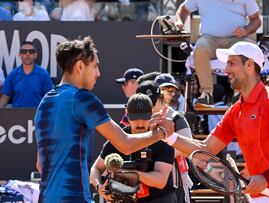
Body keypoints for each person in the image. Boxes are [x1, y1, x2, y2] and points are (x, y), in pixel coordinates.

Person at [161, 41, 269, 203]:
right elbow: (206, 149)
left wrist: (266, 178)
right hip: (260, 197)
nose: (225, 70)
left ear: (249, 65)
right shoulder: (235, 111)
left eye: (231, 63)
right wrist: (170, 136)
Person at [34, 36, 173, 202]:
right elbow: (125, 144)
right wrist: (161, 133)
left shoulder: (45, 102)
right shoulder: (82, 98)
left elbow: (40, 165)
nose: (98, 73)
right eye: (95, 66)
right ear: (80, 66)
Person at [90, 93, 176, 203]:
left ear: (152, 114)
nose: (140, 123)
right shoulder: (119, 137)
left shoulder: (161, 138)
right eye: (135, 118)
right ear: (127, 114)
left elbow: (160, 181)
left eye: (144, 118)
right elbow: (95, 169)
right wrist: (99, 187)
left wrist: (131, 173)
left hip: (159, 199)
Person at [175, 0, 261, 105]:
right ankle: (206, 93)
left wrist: (246, 30)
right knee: (200, 49)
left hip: (236, 39)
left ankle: (240, 93)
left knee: (246, 51)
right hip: (210, 39)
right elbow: (183, 10)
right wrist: (179, 21)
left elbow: (256, 20)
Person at [137, 80, 194, 203]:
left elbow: (189, 148)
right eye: (145, 104)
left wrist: (160, 154)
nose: (150, 107)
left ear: (161, 98)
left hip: (175, 183)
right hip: (144, 184)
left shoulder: (175, 117)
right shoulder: (136, 119)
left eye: (152, 102)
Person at [0, 41, 53, 108]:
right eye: (24, 52)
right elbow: (5, 97)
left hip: (37, 116)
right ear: (20, 55)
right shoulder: (13, 75)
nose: (27, 54)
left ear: (35, 55)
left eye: (31, 52)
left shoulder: (44, 74)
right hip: (16, 116)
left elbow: (49, 98)